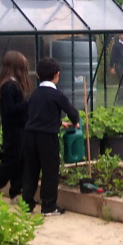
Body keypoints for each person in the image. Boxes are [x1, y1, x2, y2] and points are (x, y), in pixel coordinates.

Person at [21, 57, 79, 215]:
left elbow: (36, 114)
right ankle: (48, 206)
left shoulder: (33, 95)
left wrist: (59, 123)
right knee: (50, 170)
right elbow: (72, 112)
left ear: (38, 76)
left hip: (30, 136)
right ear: (57, 74)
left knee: (31, 171)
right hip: (47, 138)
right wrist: (75, 122)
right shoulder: (56, 95)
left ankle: (26, 205)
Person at [0, 51, 33, 203]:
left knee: (21, 160)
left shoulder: (13, 84)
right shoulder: (8, 86)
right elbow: (10, 109)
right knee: (11, 161)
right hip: (13, 131)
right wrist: (27, 104)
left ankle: (16, 192)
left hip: (20, 128)